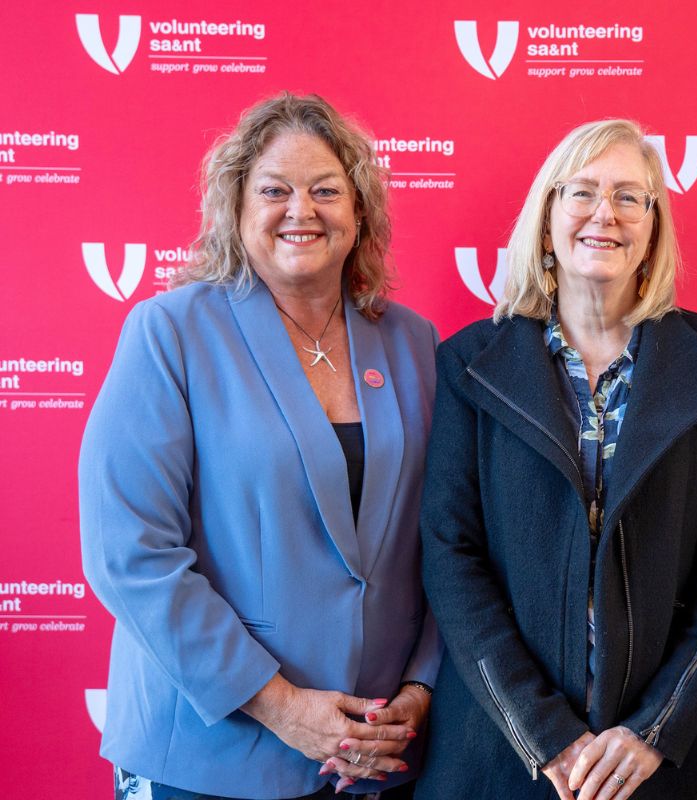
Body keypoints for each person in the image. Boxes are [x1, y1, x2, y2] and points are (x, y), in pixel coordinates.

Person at [79, 92, 441, 799]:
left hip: (373, 755)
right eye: (274, 190)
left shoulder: (413, 343)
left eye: (326, 190)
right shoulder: (171, 333)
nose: (301, 210)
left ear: (359, 211)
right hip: (208, 753)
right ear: (236, 209)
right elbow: (130, 553)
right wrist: (279, 704)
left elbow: (448, 536)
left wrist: (421, 687)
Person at [416, 119, 697, 800]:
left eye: (630, 197)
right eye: (582, 192)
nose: (605, 213)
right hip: (502, 753)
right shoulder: (469, 363)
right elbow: (451, 555)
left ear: (653, 228)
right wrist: (546, 734)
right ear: (547, 221)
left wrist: (655, 729)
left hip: (666, 757)